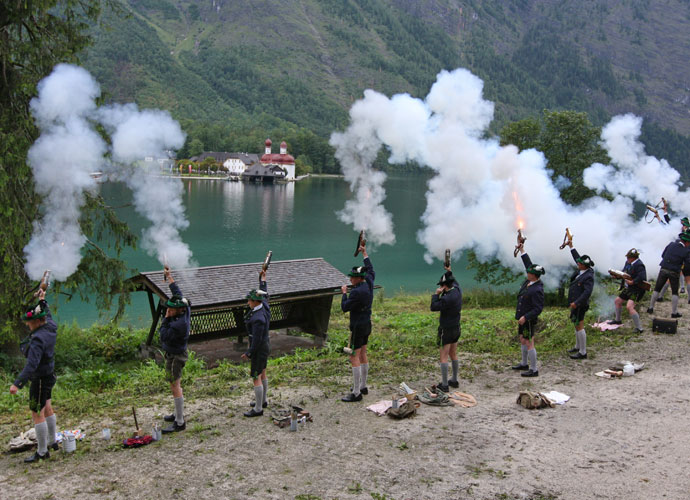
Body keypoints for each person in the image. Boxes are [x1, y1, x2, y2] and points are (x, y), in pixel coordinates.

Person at [9, 289, 59, 462]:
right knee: (48, 408)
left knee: (37, 413)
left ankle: (42, 452)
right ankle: (54, 442)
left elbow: (31, 365)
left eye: (30, 322)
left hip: (39, 379)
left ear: (38, 321)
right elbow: (49, 313)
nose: (27, 325)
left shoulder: (38, 339)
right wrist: (42, 300)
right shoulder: (50, 326)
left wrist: (18, 383)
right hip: (49, 375)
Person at [340, 243, 375, 402]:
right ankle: (363, 386)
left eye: (352, 277)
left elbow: (344, 308)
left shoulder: (356, 292)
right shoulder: (368, 282)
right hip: (367, 323)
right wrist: (364, 254)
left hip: (357, 326)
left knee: (354, 356)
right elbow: (371, 270)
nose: (350, 279)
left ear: (358, 278)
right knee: (363, 354)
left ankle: (356, 393)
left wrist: (344, 294)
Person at [160, 268, 191, 433]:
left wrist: (165, 318)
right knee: (175, 384)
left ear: (179, 310)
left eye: (171, 309)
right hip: (174, 353)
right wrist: (169, 277)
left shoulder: (177, 325)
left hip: (176, 355)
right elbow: (177, 292)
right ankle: (177, 412)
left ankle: (179, 422)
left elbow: (163, 335)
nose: (169, 310)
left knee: (174, 384)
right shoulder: (184, 309)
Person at [511, 244, 545, 377]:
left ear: (534, 276)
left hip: (528, 319)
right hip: (522, 317)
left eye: (529, 272)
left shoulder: (537, 290)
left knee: (530, 342)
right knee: (522, 339)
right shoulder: (530, 282)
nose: (527, 272)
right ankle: (524, 363)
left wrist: (526, 317)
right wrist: (522, 250)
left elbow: (538, 308)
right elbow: (528, 264)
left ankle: (534, 369)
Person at [241, 270, 270, 417]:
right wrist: (263, 280)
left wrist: (249, 353)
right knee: (263, 373)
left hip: (259, 348)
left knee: (255, 376)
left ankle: (258, 409)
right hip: (265, 345)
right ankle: (263, 401)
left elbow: (256, 340)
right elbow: (264, 292)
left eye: (249, 300)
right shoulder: (264, 305)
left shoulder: (258, 319)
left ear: (254, 302)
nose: (248, 302)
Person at [430, 267, 463, 392]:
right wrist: (449, 271)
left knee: (443, 356)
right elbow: (454, 281)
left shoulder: (446, 298)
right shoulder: (457, 290)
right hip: (456, 327)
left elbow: (433, 307)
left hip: (446, 329)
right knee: (453, 353)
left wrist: (436, 294)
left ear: (444, 286)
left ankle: (444, 385)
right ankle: (454, 380)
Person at [647, 233, 690, 317]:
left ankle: (650, 308)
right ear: (687, 242)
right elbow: (687, 263)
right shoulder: (686, 251)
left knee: (657, 289)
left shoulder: (671, 244)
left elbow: (663, 255)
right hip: (674, 271)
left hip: (664, 268)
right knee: (674, 292)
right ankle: (674, 312)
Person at [565, 240, 595, 360]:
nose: (577, 263)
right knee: (576, 324)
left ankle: (583, 352)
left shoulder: (588, 276)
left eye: (580, 263)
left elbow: (587, 292)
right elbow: (577, 257)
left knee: (580, 325)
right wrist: (571, 246)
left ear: (584, 265)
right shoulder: (582, 270)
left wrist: (576, 303)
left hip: (580, 304)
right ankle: (578, 346)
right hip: (575, 303)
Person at [610, 248, 647, 333]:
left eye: (629, 257)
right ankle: (618, 320)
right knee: (617, 301)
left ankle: (639, 328)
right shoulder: (628, 263)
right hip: (630, 288)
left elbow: (642, 277)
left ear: (634, 258)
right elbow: (624, 273)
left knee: (629, 306)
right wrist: (617, 276)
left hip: (637, 289)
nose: (627, 259)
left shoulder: (639, 265)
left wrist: (633, 282)